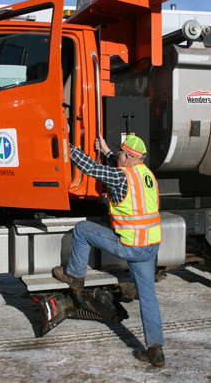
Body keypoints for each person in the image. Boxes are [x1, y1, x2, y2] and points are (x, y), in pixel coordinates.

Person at [53, 134, 164, 367]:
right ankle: (155, 351)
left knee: (82, 230)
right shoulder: (147, 175)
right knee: (148, 298)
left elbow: (91, 168)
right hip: (149, 247)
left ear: (128, 157)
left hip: (130, 245)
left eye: (121, 154)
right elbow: (118, 166)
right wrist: (106, 151)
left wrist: (64, 144)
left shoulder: (121, 176)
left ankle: (75, 276)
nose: (119, 156)